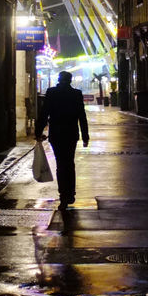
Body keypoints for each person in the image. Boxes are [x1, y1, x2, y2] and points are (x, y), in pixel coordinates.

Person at [37, 70, 89, 209]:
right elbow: (81, 116)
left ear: (59, 80)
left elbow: (44, 113)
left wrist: (38, 132)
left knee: (61, 164)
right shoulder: (76, 94)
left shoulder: (52, 92)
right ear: (70, 80)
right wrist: (85, 136)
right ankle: (71, 193)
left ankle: (63, 196)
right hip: (71, 133)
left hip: (57, 133)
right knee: (69, 163)